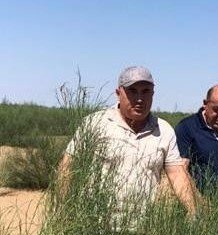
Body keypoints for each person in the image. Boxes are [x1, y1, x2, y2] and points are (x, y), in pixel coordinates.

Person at [57, 66, 198, 226]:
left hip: (144, 228)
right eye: (132, 91)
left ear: (153, 94)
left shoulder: (164, 130)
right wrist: (62, 211)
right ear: (118, 93)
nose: (139, 99)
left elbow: (177, 174)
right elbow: (68, 168)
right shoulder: (94, 124)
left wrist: (193, 212)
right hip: (94, 227)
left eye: (146, 91)